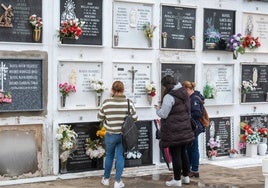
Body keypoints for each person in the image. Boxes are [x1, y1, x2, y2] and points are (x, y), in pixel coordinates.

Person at [155, 75, 194, 187]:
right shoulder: (183, 92)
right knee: (183, 153)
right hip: (185, 129)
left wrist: (158, 109)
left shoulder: (169, 96)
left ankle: (177, 180)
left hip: (174, 131)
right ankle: (185, 177)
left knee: (175, 154)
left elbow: (164, 114)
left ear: (166, 85)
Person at [97, 81, 138, 188]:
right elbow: (135, 118)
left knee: (109, 156)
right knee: (120, 157)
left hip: (110, 134)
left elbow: (100, 117)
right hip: (124, 136)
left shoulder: (106, 102)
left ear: (112, 90)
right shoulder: (129, 102)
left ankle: (106, 179)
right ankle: (117, 181)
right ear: (123, 90)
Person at [182, 81, 206, 178]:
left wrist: (185, 115)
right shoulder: (192, 98)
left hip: (193, 127)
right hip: (191, 127)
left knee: (193, 148)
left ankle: (195, 170)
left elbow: (197, 113)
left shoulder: (194, 99)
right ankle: (190, 168)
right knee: (190, 148)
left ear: (188, 89)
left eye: (184, 91)